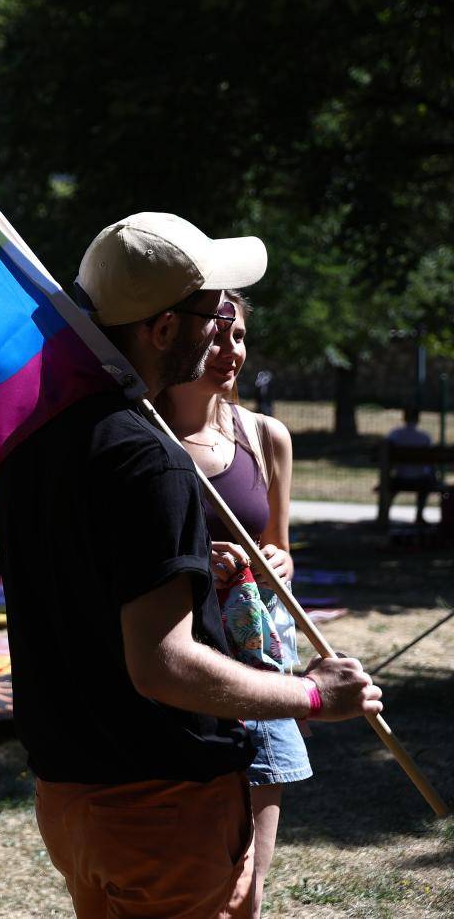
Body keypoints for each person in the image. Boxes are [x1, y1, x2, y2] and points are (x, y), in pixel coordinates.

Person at [0, 213, 382, 919]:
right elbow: (163, 664)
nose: (220, 335)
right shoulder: (150, 459)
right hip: (163, 804)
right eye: (211, 314)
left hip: (70, 798)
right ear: (164, 330)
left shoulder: (33, 435)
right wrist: (315, 696)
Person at [159, 291, 305, 915]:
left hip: (254, 663)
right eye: (217, 335)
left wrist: (275, 565)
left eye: (240, 336)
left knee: (245, 891)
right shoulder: (142, 433)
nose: (231, 351)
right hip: (175, 660)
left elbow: (283, 554)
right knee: (178, 878)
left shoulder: (266, 437)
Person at [385, 408, 439, 524]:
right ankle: (419, 515)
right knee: (427, 482)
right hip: (421, 480)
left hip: (400, 478)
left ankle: (385, 514)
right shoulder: (425, 437)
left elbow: (385, 452)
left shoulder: (395, 435)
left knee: (390, 485)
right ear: (418, 419)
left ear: (404, 418)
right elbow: (431, 461)